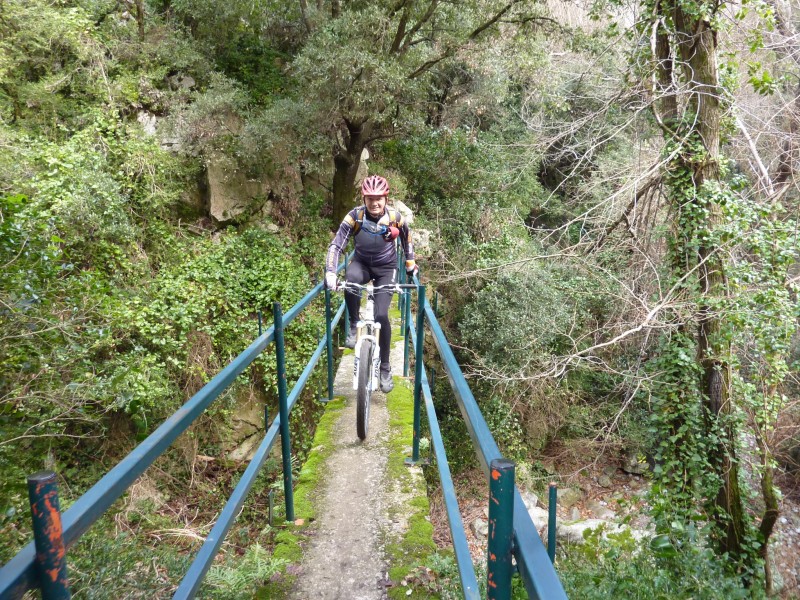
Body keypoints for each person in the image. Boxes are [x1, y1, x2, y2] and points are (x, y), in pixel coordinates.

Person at [325, 174, 418, 393]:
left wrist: (410, 263)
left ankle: (385, 366)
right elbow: (336, 245)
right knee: (351, 281)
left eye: (379, 198)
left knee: (381, 316)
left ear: (386, 198)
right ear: (363, 198)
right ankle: (354, 323)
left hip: (386, 269)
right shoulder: (354, 216)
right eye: (370, 198)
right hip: (362, 263)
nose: (374, 202)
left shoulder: (395, 217)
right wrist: (330, 272)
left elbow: (407, 238)